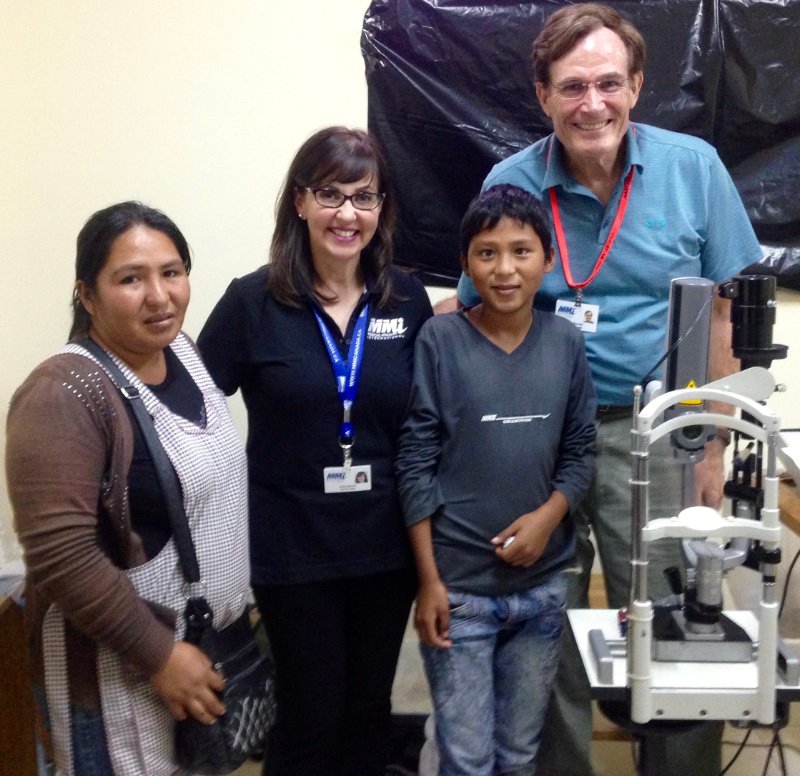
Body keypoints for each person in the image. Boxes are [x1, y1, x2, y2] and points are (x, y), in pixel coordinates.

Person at [447, 5, 763, 775]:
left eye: (610, 83)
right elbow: (475, 310)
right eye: (574, 86)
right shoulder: (510, 181)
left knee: (673, 621)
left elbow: (728, 308)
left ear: (638, 86)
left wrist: (715, 440)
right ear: (544, 95)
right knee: (541, 627)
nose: (594, 104)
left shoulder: (694, 169)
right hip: (535, 435)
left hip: (656, 435)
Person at [197, 126, 433, 776]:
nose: (348, 214)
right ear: (300, 201)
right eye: (331, 194)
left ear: (382, 207)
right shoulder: (253, 302)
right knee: (309, 713)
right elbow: (190, 409)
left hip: (384, 552)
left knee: (367, 712)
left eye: (364, 196)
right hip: (292, 551)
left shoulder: (406, 300)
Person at [6, 201, 250, 775]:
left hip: (198, 654)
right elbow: (59, 554)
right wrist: (160, 654)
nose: (160, 296)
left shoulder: (182, 353)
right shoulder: (63, 394)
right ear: (86, 295)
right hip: (119, 673)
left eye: (172, 272)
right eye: (131, 279)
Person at [395, 184, 596, 775]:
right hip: (459, 593)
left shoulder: (565, 343)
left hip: (541, 591)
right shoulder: (439, 340)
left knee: (518, 752)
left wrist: (547, 517)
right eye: (487, 253)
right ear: (464, 263)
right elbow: (415, 462)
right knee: (467, 757)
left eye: (521, 251)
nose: (505, 269)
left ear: (548, 259)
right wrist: (428, 581)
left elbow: (581, 452)